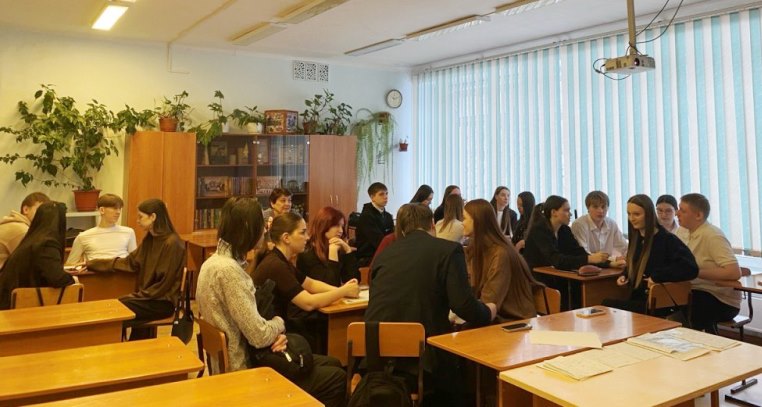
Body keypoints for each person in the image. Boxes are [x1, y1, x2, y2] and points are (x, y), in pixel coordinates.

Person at [197, 198, 345, 407]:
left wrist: (273, 333)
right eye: (262, 225)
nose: (265, 230)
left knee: (333, 362)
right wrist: (278, 324)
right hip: (244, 368)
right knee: (337, 377)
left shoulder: (211, 263)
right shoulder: (229, 271)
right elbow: (258, 336)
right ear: (249, 228)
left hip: (243, 354)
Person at [366, 203, 496, 405]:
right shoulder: (448, 250)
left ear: (402, 229)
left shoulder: (385, 255)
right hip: (421, 358)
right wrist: (488, 311)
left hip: (375, 355)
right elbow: (462, 305)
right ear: (433, 225)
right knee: (461, 378)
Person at [253, 212, 360, 353]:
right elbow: (308, 303)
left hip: (279, 331)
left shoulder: (281, 260)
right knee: (332, 361)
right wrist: (343, 291)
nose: (307, 237)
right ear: (286, 238)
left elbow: (310, 284)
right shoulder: (276, 265)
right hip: (272, 340)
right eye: (302, 232)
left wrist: (343, 290)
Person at [86, 199, 185, 341]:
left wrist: (136, 296)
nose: (137, 221)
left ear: (153, 217)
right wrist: (93, 264)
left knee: (115, 309)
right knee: (113, 306)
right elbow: (130, 262)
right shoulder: (150, 239)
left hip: (162, 302)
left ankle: (118, 348)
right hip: (149, 297)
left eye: (140, 217)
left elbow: (164, 284)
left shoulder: (172, 243)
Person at [602, 195, 698, 314]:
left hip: (658, 304)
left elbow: (691, 268)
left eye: (637, 214)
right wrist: (626, 275)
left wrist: (657, 276)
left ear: (648, 215)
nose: (631, 218)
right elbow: (638, 264)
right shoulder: (636, 238)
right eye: (629, 214)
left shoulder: (667, 240)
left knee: (606, 306)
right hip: (640, 298)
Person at [522, 196, 609, 309]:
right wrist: (589, 259)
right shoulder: (539, 230)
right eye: (566, 210)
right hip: (538, 280)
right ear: (554, 212)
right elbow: (556, 259)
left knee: (583, 289)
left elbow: (577, 252)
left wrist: (608, 263)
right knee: (573, 293)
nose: (570, 214)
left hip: (557, 277)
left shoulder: (564, 230)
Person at [676, 193, 742, 333]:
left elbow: (734, 272)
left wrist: (695, 272)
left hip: (719, 298)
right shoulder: (681, 232)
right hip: (690, 291)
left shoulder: (713, 235)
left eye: (682, 210)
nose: (677, 213)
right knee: (660, 300)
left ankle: (696, 341)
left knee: (689, 306)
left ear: (698, 215)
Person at [463, 199, 537, 322]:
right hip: (495, 314)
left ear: (477, 221)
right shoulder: (478, 249)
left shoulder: (500, 254)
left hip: (512, 320)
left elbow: (490, 299)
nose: (461, 223)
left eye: (464, 218)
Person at [0, 201, 74, 310]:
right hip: (15, 308)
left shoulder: (32, 239)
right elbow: (57, 279)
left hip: (8, 302)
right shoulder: (47, 244)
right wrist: (73, 279)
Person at [66, 193, 137, 265]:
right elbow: (70, 264)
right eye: (115, 208)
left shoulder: (128, 232)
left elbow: (134, 262)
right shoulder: (83, 236)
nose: (118, 212)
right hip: (95, 271)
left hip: (122, 270)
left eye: (120, 208)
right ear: (102, 210)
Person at [297, 206, 360, 287]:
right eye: (336, 226)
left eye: (342, 226)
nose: (341, 231)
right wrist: (333, 252)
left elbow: (354, 280)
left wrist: (348, 251)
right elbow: (330, 284)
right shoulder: (307, 250)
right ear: (324, 225)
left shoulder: (338, 247)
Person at [571, 190, 628, 262]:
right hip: (588, 265)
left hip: (610, 265)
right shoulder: (579, 224)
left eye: (603, 207)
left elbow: (624, 247)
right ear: (588, 208)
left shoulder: (611, 223)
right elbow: (584, 254)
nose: (600, 211)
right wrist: (614, 259)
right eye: (595, 207)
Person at [0, 192, 50, 269]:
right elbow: (32, 263)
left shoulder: (14, 224)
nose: (44, 215)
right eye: (39, 210)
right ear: (26, 209)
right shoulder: (20, 230)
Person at [355, 182, 394, 266]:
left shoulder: (388, 216)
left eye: (386, 193)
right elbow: (379, 241)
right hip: (368, 258)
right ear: (372, 197)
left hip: (383, 254)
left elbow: (392, 237)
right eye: (381, 194)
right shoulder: (366, 216)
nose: (385, 197)